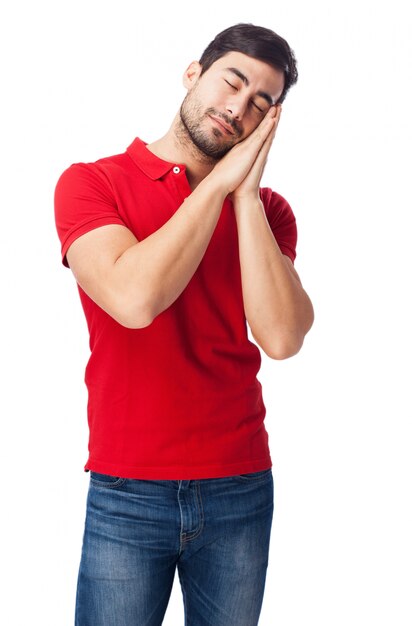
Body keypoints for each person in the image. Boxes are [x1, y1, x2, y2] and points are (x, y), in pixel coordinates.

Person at [54, 22, 314, 626]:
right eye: (233, 81)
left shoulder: (268, 212)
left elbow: (281, 337)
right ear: (193, 74)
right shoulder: (93, 183)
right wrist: (220, 184)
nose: (238, 107)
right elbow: (135, 299)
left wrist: (243, 197)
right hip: (128, 488)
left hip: (240, 484)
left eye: (261, 104)